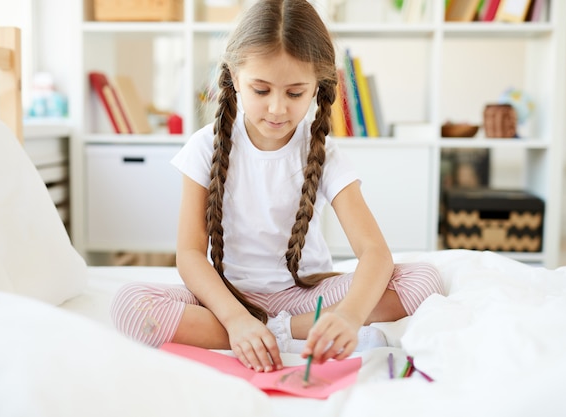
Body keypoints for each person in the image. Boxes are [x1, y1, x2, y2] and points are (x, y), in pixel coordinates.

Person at [111, 0, 443, 374]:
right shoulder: (204, 148)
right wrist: (236, 319)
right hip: (229, 298)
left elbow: (375, 253)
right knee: (130, 305)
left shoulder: (325, 155)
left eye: (295, 93)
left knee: (423, 280)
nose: (277, 109)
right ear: (235, 77)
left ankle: (278, 334)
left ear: (318, 85)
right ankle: (265, 334)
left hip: (306, 299)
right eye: (262, 90)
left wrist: (349, 316)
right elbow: (189, 255)